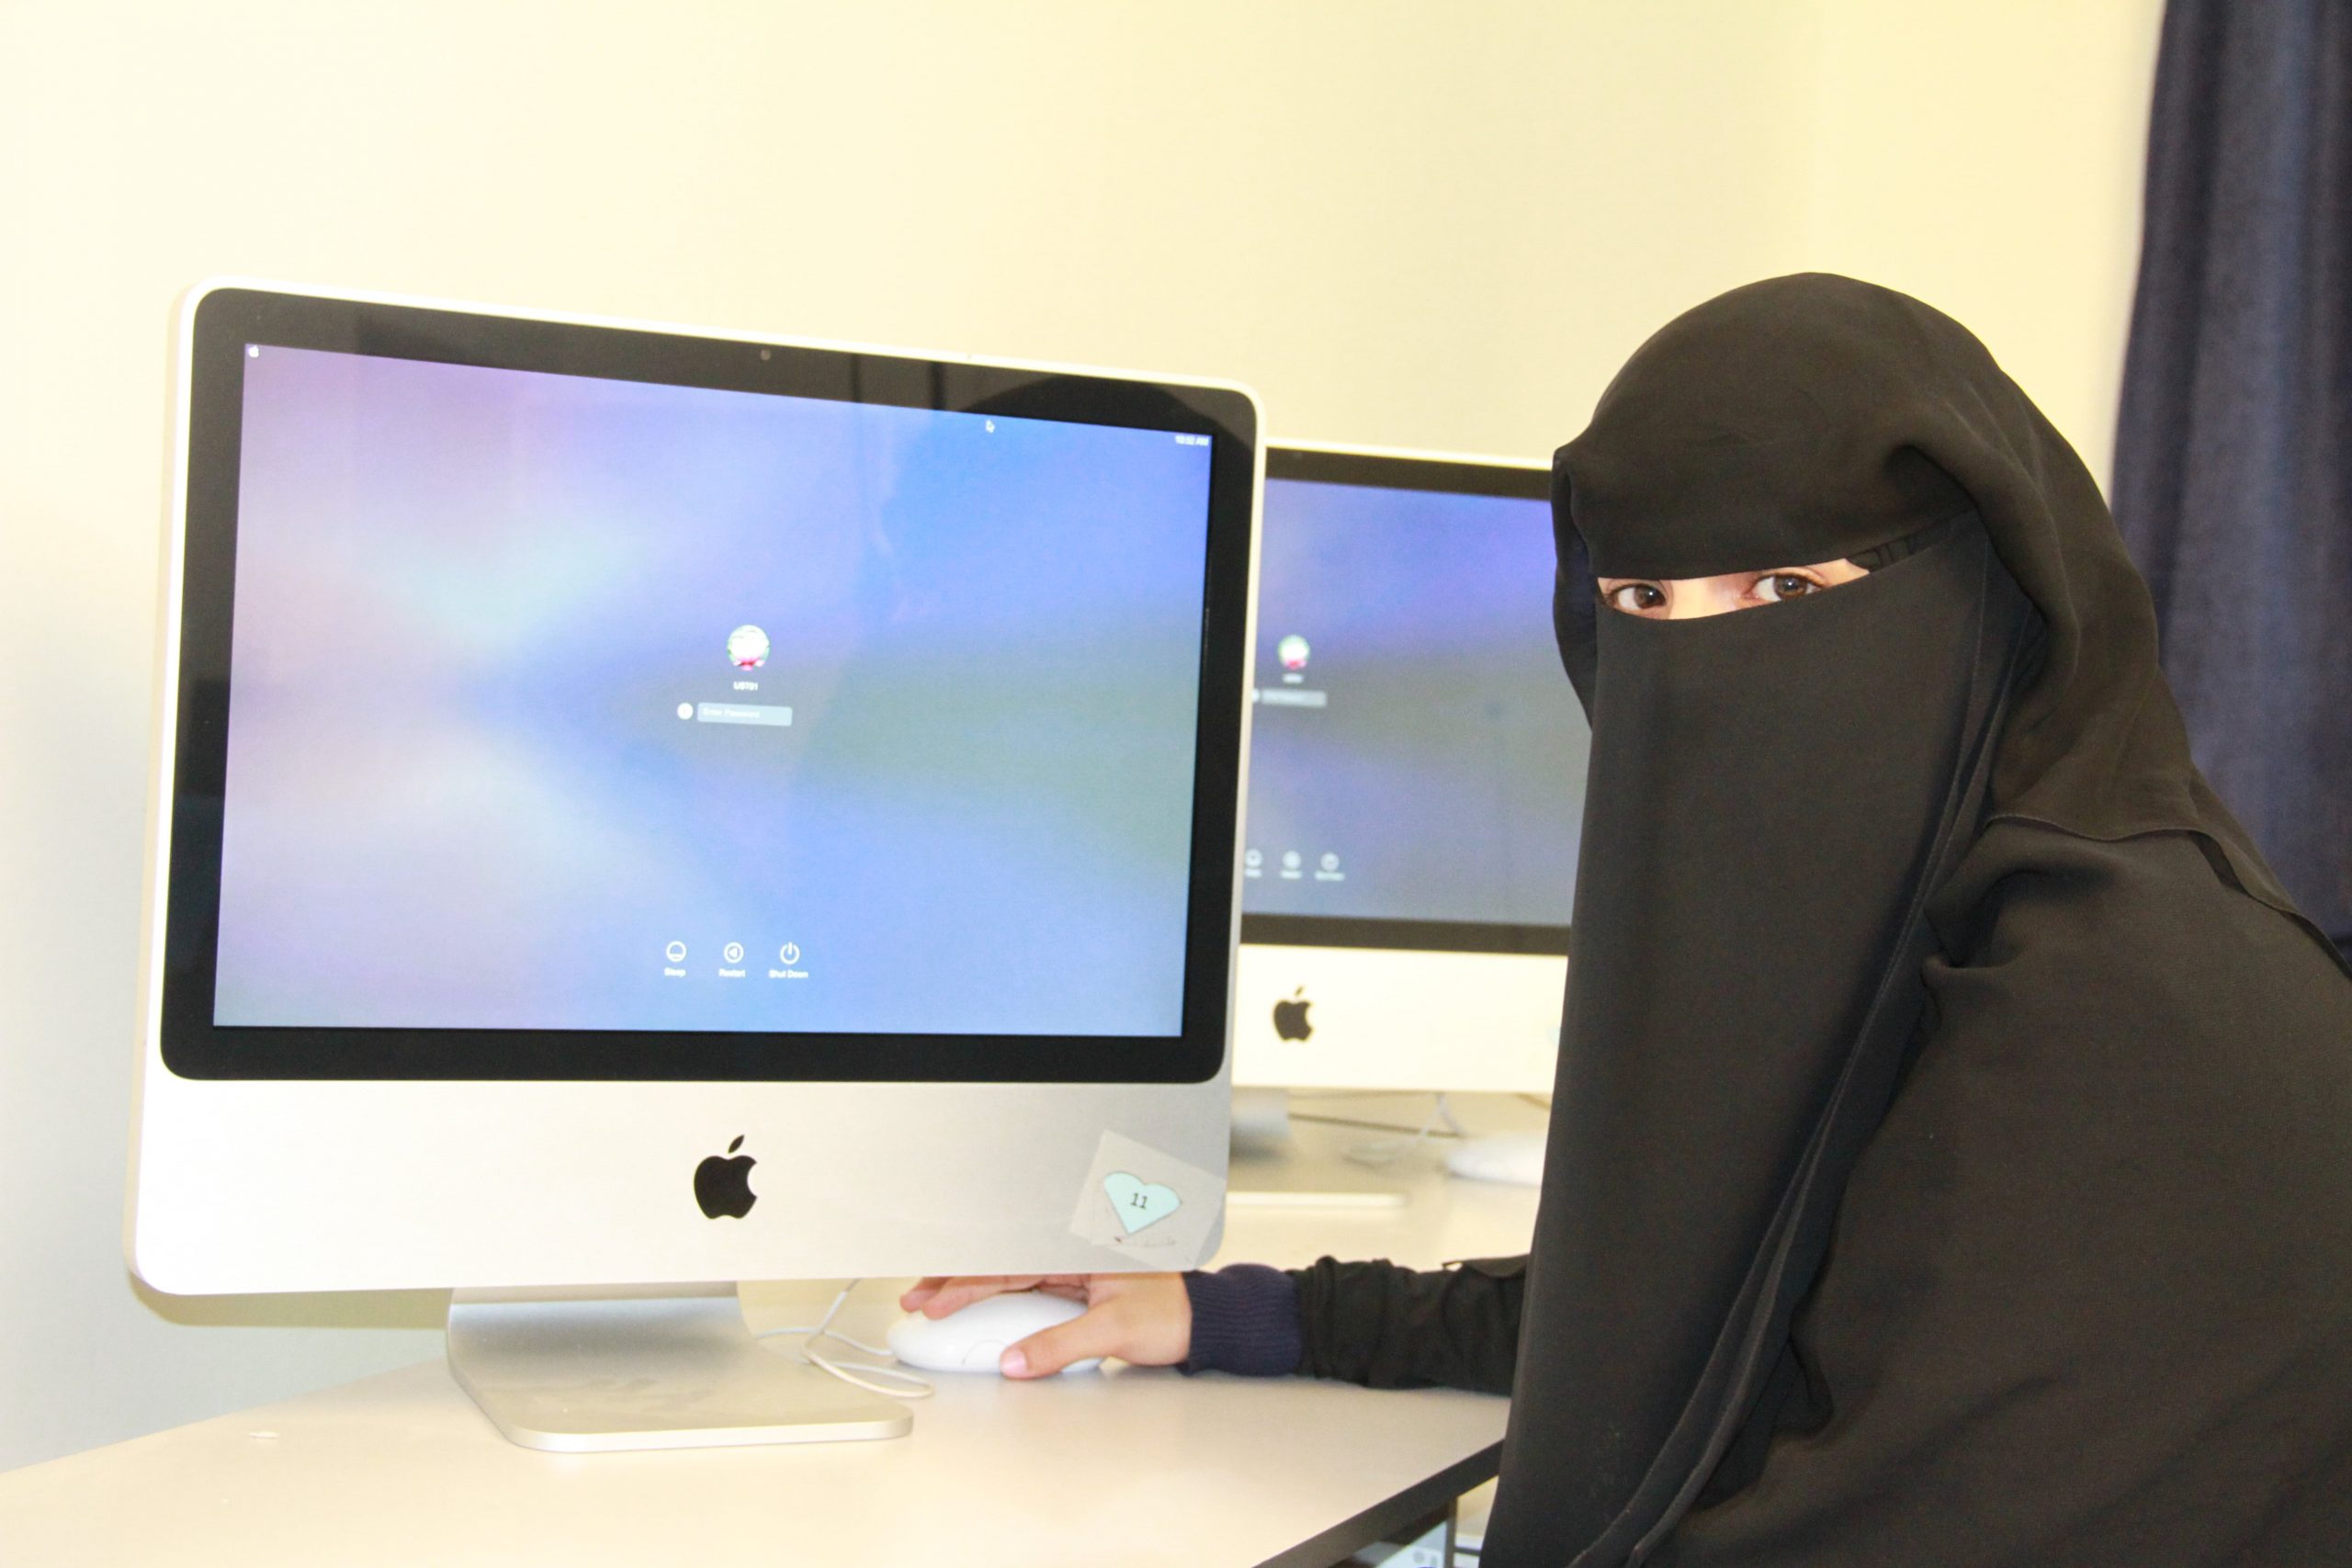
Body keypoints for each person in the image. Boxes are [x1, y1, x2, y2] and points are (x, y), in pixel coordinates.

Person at [906, 275, 2352, 1566]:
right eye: (1647, 599)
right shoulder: (1923, 905)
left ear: (1986, 585)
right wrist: (1243, 1315)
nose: (1707, 659)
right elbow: (1703, 1299)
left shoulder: (2129, 1013)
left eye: (1785, 587)